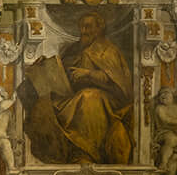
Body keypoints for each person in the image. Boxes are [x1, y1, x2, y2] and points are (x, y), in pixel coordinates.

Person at [21, 12, 133, 166]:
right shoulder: (74, 48)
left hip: (106, 99)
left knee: (88, 98)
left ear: (99, 28)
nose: (84, 31)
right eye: (81, 27)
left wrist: (88, 74)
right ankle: (63, 152)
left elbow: (116, 80)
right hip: (70, 94)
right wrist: (44, 66)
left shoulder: (108, 50)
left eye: (88, 27)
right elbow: (60, 69)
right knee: (44, 104)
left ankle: (87, 153)